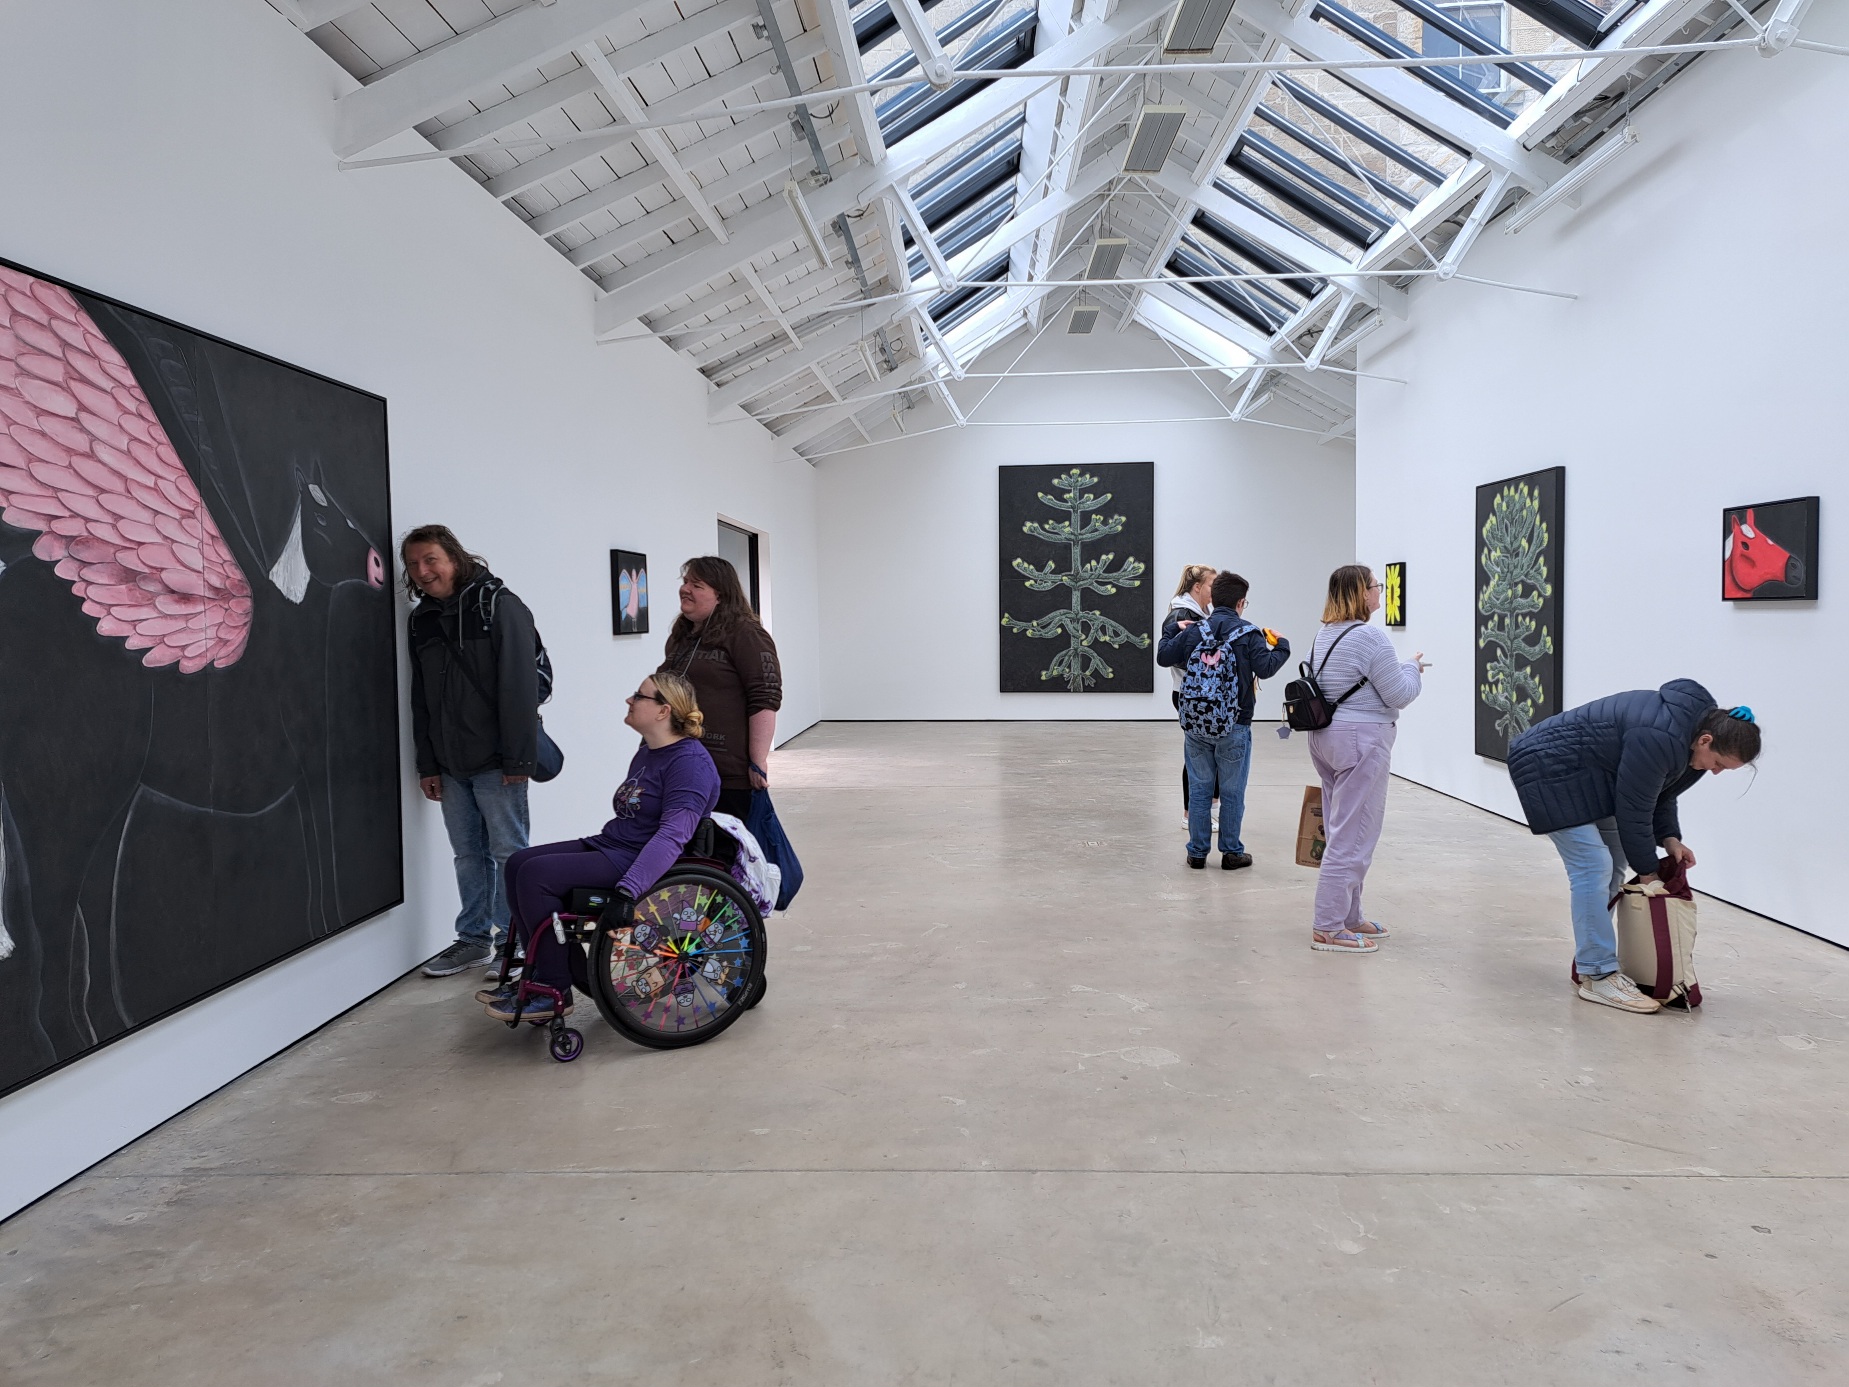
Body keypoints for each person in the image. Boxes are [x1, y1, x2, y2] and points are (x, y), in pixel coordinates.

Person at [480, 672, 719, 1021]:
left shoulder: (689, 764)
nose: (629, 700)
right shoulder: (649, 752)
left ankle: (554, 988)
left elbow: (672, 836)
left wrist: (628, 890)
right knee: (518, 862)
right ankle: (534, 977)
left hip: (640, 859)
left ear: (663, 711)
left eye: (639, 696)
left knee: (535, 876)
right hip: (613, 844)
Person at [1508, 685, 1760, 1014]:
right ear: (1706, 741)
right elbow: (1635, 811)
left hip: (1594, 776)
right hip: (1547, 767)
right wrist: (1649, 874)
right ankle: (1598, 974)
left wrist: (1670, 838)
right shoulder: (1660, 736)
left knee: (1613, 863)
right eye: (1719, 764)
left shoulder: (1693, 737)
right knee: (1593, 865)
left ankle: (1591, 961)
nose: (1716, 772)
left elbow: (1662, 791)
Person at [403, 526, 541, 978]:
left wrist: (518, 759)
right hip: (449, 762)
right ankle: (473, 939)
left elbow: (521, 686)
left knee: (508, 852)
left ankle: (515, 943)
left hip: (498, 761)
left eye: (430, 560)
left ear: (454, 558)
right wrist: (428, 763)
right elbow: (419, 698)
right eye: (413, 564)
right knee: (467, 854)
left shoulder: (497, 604)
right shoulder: (421, 620)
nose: (422, 571)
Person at [1304, 564, 1425, 953]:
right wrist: (1414, 668)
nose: (1380, 593)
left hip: (1325, 737)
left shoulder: (1325, 634)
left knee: (1345, 827)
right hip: (1361, 740)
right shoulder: (1371, 638)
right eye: (1376, 586)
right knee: (1353, 834)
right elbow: (1400, 694)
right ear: (1361, 593)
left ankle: (1349, 915)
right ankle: (1327, 926)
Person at [1158, 571, 1291, 870]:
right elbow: (1266, 668)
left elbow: (1164, 657)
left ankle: (1196, 852)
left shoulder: (1196, 630)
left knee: (1200, 786)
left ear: (1214, 599)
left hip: (1195, 722)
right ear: (1241, 602)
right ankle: (1231, 852)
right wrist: (1282, 645)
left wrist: (1172, 630)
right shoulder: (1249, 633)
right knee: (1232, 791)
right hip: (1235, 722)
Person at [659, 557, 781, 820]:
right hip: (677, 763)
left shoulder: (746, 634)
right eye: (685, 582)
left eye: (697, 584)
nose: (686, 589)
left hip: (725, 772)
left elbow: (765, 697)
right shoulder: (681, 636)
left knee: (724, 854)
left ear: (721, 595)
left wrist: (757, 762)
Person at [1162, 565, 1216, 815]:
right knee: (1198, 753)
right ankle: (1191, 812)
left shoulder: (1202, 612)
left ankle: (1204, 810)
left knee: (1207, 751)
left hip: (1198, 691)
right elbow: (1173, 655)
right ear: (1197, 587)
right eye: (1211, 585)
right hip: (1189, 692)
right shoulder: (1183, 613)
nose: (1214, 590)